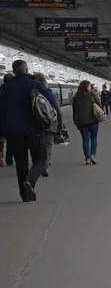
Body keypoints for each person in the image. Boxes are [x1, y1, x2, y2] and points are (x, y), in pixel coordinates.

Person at [0, 60, 55, 202]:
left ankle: (25, 196)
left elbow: (1, 111)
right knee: (41, 159)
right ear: (26, 70)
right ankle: (30, 181)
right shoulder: (34, 83)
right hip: (34, 130)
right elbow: (50, 99)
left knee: (21, 164)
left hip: (13, 132)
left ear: (14, 71)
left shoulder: (6, 88)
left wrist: (2, 133)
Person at [32, 73, 63, 177]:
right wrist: (60, 123)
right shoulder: (48, 93)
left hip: (34, 124)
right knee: (48, 145)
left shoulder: (29, 93)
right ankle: (44, 166)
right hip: (49, 123)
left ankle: (37, 165)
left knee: (37, 146)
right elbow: (57, 109)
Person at [72, 80, 101, 165]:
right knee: (94, 138)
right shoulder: (92, 94)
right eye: (89, 86)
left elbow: (74, 111)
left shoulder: (76, 97)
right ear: (86, 87)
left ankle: (87, 159)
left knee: (85, 140)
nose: (90, 88)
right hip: (93, 121)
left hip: (81, 122)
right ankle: (93, 155)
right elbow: (99, 104)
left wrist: (75, 121)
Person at [0, 73, 14, 167]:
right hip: (10, 120)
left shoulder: (1, 89)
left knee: (1, 139)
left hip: (1, 119)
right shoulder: (12, 91)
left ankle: (0, 155)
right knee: (11, 142)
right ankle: (9, 160)